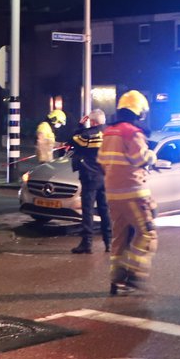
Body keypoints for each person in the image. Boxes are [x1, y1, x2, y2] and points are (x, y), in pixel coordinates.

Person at [101, 90, 158, 294]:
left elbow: (102, 161)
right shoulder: (132, 132)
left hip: (112, 193)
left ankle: (116, 281)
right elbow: (140, 158)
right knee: (147, 232)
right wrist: (152, 155)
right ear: (139, 112)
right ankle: (133, 273)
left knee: (119, 236)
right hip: (133, 190)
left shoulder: (109, 132)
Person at [70, 109, 111, 254]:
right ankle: (109, 242)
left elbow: (73, 139)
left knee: (87, 210)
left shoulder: (87, 135)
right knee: (105, 210)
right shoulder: (110, 133)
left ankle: (87, 243)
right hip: (106, 176)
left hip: (90, 176)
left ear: (92, 121)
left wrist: (80, 125)